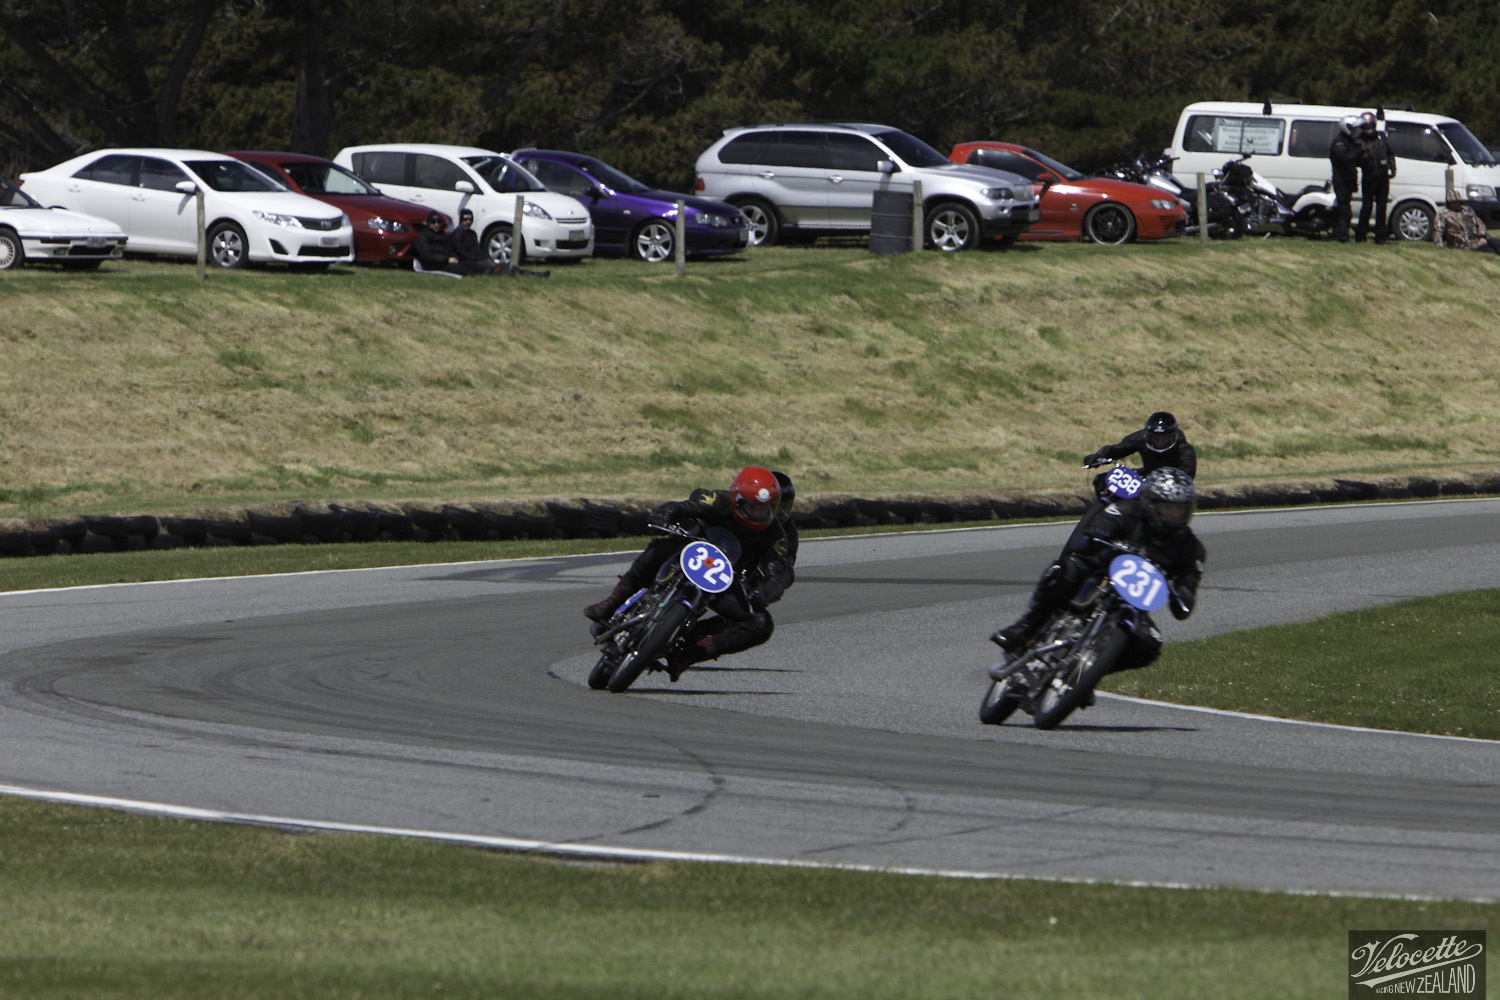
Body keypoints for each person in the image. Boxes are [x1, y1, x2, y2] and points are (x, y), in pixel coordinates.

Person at [990, 468, 1205, 678]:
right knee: (1065, 570)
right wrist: (1100, 538)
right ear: (1150, 503)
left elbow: (1186, 596)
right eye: (1168, 508)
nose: (1174, 515)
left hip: (1134, 603)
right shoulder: (1128, 510)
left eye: (1180, 509)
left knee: (1150, 644)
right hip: (1100, 572)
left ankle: (1087, 673)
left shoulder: (1191, 547)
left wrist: (1182, 593)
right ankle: (1025, 628)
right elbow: (1095, 531)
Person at [584, 466, 793, 681]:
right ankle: (612, 602)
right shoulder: (718, 500)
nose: (758, 514)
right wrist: (668, 511)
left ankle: (687, 656)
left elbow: (777, 570)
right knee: (661, 546)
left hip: (722, 580)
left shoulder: (776, 535)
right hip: (691, 552)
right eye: (752, 507)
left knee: (760, 624)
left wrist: (767, 591)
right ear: (737, 500)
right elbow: (691, 504)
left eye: (764, 509)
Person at [1084, 411, 1198, 488]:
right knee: (1103, 480)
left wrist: (1171, 483)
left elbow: (1187, 476)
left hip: (1170, 485)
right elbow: (1119, 449)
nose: (1159, 442)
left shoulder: (1184, 450)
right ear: (1148, 436)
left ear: (1173, 437)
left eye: (1164, 439)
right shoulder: (1141, 438)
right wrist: (1099, 456)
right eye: (1155, 438)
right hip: (1146, 476)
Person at [414, 210, 502, 276]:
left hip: (447, 261)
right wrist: (446, 260)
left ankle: (497, 270)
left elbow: (449, 249)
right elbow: (428, 256)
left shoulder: (442, 234)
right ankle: (489, 271)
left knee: (467, 265)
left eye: (438, 222)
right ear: (428, 223)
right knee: (463, 269)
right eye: (433, 222)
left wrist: (454, 257)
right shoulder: (423, 237)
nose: (436, 224)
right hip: (435, 264)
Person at [1354, 112, 1396, 244]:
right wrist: (1363, 159)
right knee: (1367, 207)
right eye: (1365, 127)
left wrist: (1393, 167)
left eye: (1370, 126)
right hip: (1369, 177)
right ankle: (1361, 235)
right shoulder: (1358, 140)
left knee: (1382, 208)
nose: (1368, 129)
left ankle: (1381, 236)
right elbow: (1354, 159)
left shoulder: (1382, 136)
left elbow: (1390, 153)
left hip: (1383, 177)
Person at [1328, 116, 1363, 244]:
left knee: (1345, 208)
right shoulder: (1340, 142)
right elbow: (1345, 158)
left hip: (1349, 180)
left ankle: (1338, 233)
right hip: (1341, 180)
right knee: (1344, 210)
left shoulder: (1350, 141)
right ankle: (1342, 236)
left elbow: (1355, 159)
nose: (1355, 132)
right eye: (1353, 129)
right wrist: (1360, 150)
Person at [1434, 190, 1500, 255]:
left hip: (1477, 239)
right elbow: (1438, 231)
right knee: (1490, 252)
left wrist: (1482, 237)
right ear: (1448, 203)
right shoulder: (1443, 214)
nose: (1455, 204)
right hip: (1463, 244)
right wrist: (1439, 247)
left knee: (1497, 244)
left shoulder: (1468, 210)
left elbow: (1479, 223)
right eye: (1452, 202)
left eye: (1457, 201)